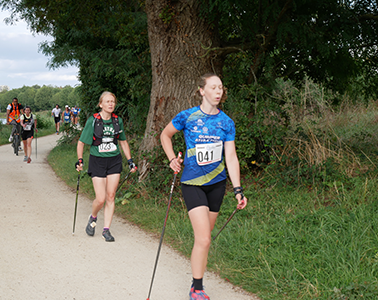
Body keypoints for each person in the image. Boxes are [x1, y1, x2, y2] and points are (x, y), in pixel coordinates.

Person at [160, 73, 248, 300]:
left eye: (221, 88)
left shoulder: (226, 122)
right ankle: (197, 289)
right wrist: (172, 159)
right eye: (213, 87)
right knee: (204, 239)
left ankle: (196, 280)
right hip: (192, 183)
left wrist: (238, 189)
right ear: (202, 91)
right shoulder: (187, 117)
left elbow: (231, 157)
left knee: (204, 238)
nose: (218, 92)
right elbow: (165, 135)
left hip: (217, 185)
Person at [75, 91, 137, 242]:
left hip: (114, 161)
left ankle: (106, 230)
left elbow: (122, 141)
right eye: (107, 101)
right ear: (100, 104)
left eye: (113, 102)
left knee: (111, 196)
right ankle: (93, 216)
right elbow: (81, 142)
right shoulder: (93, 120)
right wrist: (80, 160)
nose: (111, 104)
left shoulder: (117, 121)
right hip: (97, 161)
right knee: (101, 199)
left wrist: (130, 161)